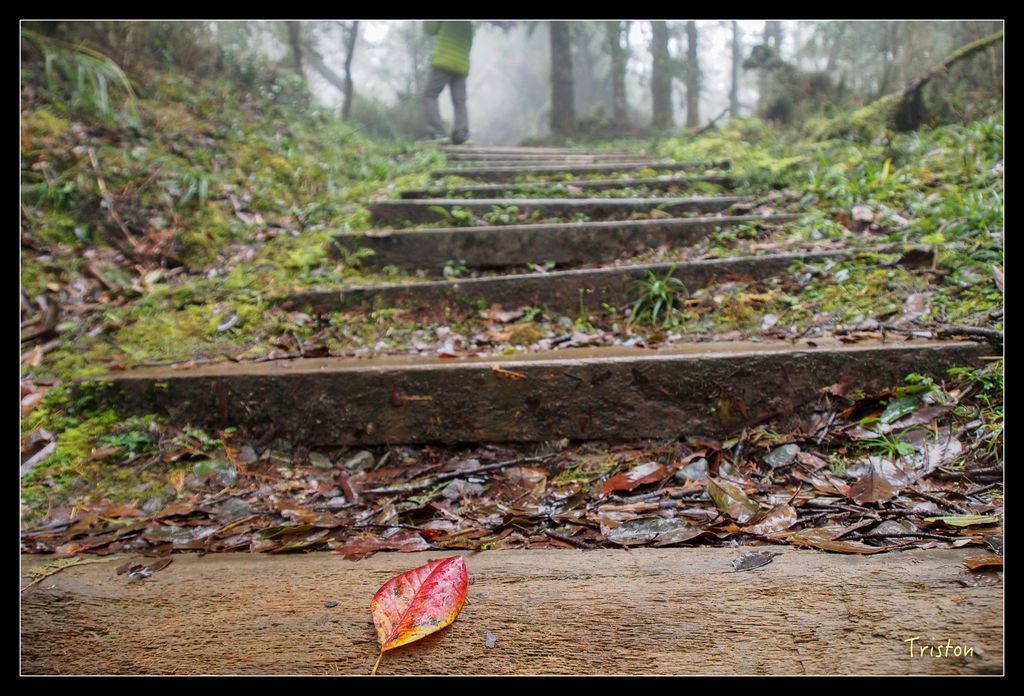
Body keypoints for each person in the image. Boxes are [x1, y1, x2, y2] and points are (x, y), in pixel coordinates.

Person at [421, 21, 474, 145]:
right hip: (461, 65)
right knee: (459, 102)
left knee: (429, 95)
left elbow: (430, 30)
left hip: (443, 61)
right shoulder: (468, 24)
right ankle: (462, 135)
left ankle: (437, 133)